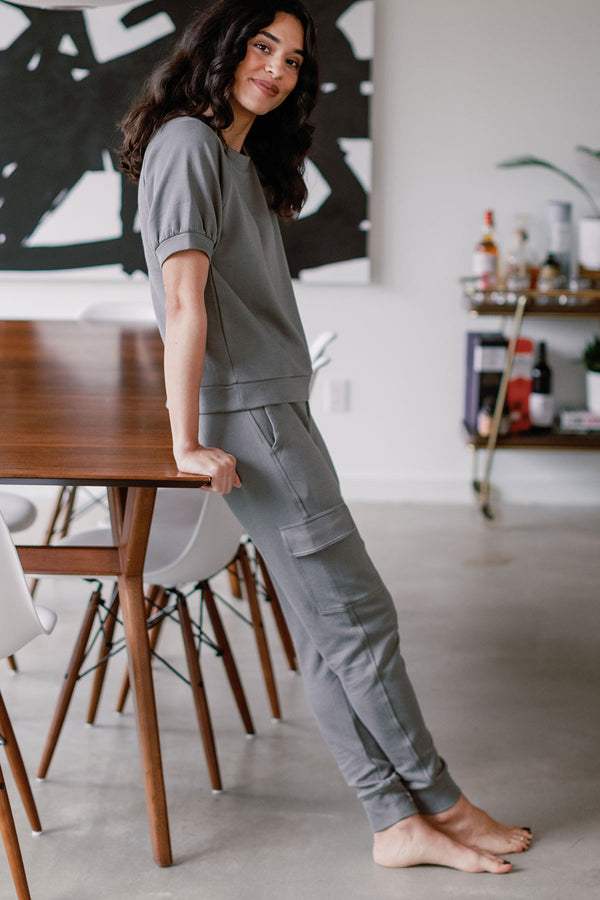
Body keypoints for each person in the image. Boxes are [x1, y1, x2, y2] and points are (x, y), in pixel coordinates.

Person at [119, 0, 531, 874]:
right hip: (256, 418)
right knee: (360, 618)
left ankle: (395, 821)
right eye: (262, 46)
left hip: (276, 410)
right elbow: (182, 303)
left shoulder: (227, 153)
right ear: (221, 48)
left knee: (325, 623)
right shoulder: (190, 145)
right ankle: (443, 804)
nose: (277, 67)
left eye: (295, 58)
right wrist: (184, 440)